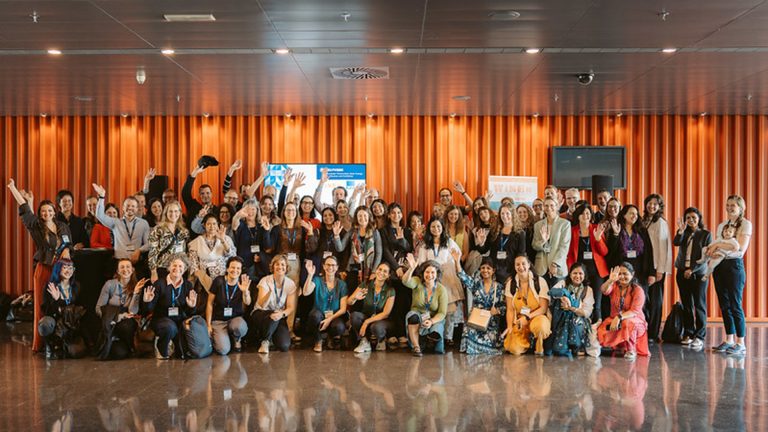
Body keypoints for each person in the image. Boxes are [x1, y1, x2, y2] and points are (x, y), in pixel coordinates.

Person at [8, 179, 72, 352]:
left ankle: (60, 341)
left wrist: (67, 250)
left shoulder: (63, 226)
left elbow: (69, 245)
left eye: (49, 210)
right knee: (41, 305)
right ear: (40, 213)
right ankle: (40, 343)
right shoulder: (36, 226)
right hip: (44, 268)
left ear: (54, 211)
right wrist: (13, 188)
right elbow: (24, 208)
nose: (47, 213)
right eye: (43, 211)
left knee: (61, 303)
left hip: (62, 270)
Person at [711, 195, 752, 356]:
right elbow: (716, 246)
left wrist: (720, 245)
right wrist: (720, 247)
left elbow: (739, 248)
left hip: (734, 266)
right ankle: (729, 339)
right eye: (727, 205)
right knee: (724, 305)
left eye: (733, 205)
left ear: (741, 208)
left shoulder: (746, 224)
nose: (729, 208)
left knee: (735, 304)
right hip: (719, 265)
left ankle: (741, 343)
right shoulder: (722, 225)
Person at [413, 217, 463, 346]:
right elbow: (422, 262)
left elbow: (457, 255)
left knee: (449, 308)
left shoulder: (449, 242)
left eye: (439, 226)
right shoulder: (425, 245)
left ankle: (448, 337)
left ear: (443, 228)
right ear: (429, 228)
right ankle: (433, 334)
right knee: (434, 307)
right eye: (433, 226)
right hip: (431, 278)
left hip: (447, 277)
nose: (436, 229)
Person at [141, 257, 198, 359]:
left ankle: (175, 346)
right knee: (170, 328)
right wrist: (147, 301)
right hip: (161, 319)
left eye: (180, 266)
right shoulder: (159, 284)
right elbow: (148, 309)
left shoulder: (187, 285)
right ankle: (161, 348)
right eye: (174, 265)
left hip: (179, 320)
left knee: (182, 354)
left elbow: (190, 312)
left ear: (184, 269)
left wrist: (192, 306)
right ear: (169, 267)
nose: (177, 268)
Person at [672, 207, 712, 349]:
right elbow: (676, 242)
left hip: (699, 274)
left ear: (699, 219)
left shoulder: (706, 234)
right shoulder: (684, 232)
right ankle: (689, 333)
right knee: (687, 304)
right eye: (688, 218)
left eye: (694, 217)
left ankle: (700, 336)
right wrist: (680, 231)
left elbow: (706, 256)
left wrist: (692, 269)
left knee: (699, 305)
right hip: (682, 272)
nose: (691, 220)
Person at [95, 259, 148, 359]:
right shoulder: (110, 285)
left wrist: (136, 293)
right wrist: (116, 317)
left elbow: (132, 311)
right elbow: (98, 308)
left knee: (121, 350)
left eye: (128, 267)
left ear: (132, 270)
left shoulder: (137, 285)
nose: (125, 269)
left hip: (126, 323)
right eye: (122, 267)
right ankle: (110, 341)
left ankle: (129, 347)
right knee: (113, 352)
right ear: (118, 271)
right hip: (110, 322)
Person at [454, 254, 506, 355]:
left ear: (493, 270)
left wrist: (497, 311)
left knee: (491, 337)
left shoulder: (499, 287)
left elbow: (504, 306)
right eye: (483, 268)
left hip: (491, 323)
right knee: (467, 329)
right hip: (476, 321)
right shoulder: (476, 284)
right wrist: (457, 261)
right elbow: (463, 277)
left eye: (488, 268)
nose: (485, 270)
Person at [596, 263, 649, 361]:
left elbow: (634, 311)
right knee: (602, 328)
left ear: (632, 274)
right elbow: (603, 290)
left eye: (625, 274)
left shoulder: (638, 290)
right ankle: (617, 345)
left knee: (627, 322)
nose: (622, 276)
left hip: (635, 321)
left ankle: (631, 350)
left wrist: (619, 317)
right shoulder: (615, 286)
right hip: (616, 319)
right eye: (619, 274)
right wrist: (610, 280)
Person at [93, 184, 152, 270]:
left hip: (137, 264)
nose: (130, 208)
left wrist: (139, 250)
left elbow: (148, 243)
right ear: (123, 208)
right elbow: (100, 215)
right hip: (119, 263)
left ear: (137, 208)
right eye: (127, 206)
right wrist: (102, 197)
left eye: (133, 206)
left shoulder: (143, 223)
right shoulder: (115, 222)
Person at [566, 204, 609, 322]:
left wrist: (598, 239)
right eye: (583, 213)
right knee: (581, 300)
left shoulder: (596, 228)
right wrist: (570, 270)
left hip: (597, 270)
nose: (586, 215)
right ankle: (583, 325)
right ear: (578, 216)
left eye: (588, 213)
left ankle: (597, 326)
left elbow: (604, 252)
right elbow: (569, 253)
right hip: (580, 273)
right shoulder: (573, 231)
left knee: (597, 302)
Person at [379, 203, 413, 347]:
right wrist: (396, 267)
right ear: (388, 215)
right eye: (393, 213)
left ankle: (402, 334)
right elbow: (386, 251)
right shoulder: (383, 231)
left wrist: (401, 240)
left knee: (403, 302)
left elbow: (409, 249)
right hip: (391, 271)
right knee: (390, 303)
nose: (396, 215)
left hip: (404, 272)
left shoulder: (406, 230)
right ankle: (391, 334)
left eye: (399, 212)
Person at [503, 255, 551, 356]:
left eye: (523, 264)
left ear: (529, 265)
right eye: (517, 264)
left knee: (541, 326)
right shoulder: (510, 284)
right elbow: (510, 309)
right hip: (520, 321)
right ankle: (528, 343)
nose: (521, 267)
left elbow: (543, 308)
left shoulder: (540, 281)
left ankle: (538, 346)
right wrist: (509, 327)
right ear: (514, 267)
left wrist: (527, 317)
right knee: (513, 349)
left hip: (537, 317)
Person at [401, 256, 449, 356]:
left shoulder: (441, 290)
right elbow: (405, 281)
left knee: (435, 332)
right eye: (427, 272)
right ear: (423, 273)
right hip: (418, 315)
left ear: (437, 274)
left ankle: (427, 342)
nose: (429, 275)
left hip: (433, 318)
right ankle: (416, 347)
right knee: (412, 316)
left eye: (432, 272)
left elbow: (442, 313)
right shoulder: (417, 281)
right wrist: (411, 269)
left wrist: (431, 321)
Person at [249, 255, 298, 354]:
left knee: (284, 346)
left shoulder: (290, 283)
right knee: (273, 315)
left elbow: (290, 307)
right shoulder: (265, 280)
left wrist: (282, 314)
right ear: (273, 267)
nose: (280, 267)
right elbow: (262, 304)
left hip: (279, 315)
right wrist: (270, 292)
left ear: (286, 268)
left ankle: (270, 336)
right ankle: (265, 341)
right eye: (277, 264)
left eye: (283, 265)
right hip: (261, 313)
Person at [546, 263, 597, 356]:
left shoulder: (587, 290)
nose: (577, 276)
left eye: (580, 273)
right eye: (575, 273)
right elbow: (551, 292)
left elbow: (586, 313)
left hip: (578, 318)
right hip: (561, 317)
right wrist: (564, 296)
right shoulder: (563, 283)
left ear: (584, 275)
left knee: (575, 321)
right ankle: (562, 346)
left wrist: (571, 308)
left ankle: (576, 346)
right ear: (570, 274)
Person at [641, 193, 673, 342]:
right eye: (649, 203)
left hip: (656, 267)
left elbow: (663, 248)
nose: (651, 206)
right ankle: (644, 330)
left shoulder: (660, 222)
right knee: (644, 300)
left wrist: (660, 270)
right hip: (645, 266)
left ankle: (653, 333)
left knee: (655, 301)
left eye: (655, 204)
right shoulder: (643, 221)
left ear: (660, 206)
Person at [206, 257, 252, 355]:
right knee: (223, 350)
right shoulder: (218, 281)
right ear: (227, 269)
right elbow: (209, 303)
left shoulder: (242, 282)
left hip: (235, 319)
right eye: (232, 267)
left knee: (240, 327)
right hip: (219, 321)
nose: (235, 270)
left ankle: (236, 338)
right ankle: (223, 336)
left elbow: (247, 302)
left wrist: (245, 292)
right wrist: (208, 325)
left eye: (238, 268)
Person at [38, 259, 83, 359]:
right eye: (65, 268)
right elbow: (46, 310)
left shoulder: (76, 286)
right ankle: (50, 347)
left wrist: (60, 302)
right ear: (58, 269)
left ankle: (63, 347)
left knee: (75, 352)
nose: (68, 271)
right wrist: (56, 300)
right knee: (45, 323)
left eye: (70, 268)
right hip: (55, 319)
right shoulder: (50, 286)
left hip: (70, 322)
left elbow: (79, 307)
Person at [303, 256, 349, 352]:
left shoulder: (342, 284)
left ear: (337, 267)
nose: (330, 267)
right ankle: (318, 340)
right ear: (324, 266)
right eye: (328, 265)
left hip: (334, 316)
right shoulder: (317, 280)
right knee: (314, 316)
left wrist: (329, 319)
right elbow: (305, 292)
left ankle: (330, 337)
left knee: (340, 327)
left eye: (333, 265)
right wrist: (310, 275)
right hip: (319, 315)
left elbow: (343, 309)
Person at [348, 262, 397, 353]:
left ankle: (382, 339)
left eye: (385, 271)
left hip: (381, 320)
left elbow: (386, 314)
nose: (381, 272)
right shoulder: (366, 285)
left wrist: (367, 322)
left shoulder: (390, 290)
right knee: (354, 316)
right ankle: (364, 341)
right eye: (380, 269)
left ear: (388, 275)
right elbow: (349, 302)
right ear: (376, 270)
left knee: (376, 327)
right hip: (367, 315)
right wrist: (355, 297)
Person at [474, 205, 526, 286]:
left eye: (507, 213)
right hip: (493, 271)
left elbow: (520, 255)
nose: (505, 216)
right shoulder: (494, 230)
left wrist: (513, 275)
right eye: (502, 213)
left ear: (512, 214)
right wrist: (481, 243)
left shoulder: (520, 233)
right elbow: (483, 250)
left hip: (510, 272)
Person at [616, 204, 654, 316]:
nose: (635, 216)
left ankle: (642, 325)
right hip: (623, 271)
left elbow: (649, 252)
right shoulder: (618, 230)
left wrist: (651, 273)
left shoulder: (642, 231)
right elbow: (613, 252)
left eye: (636, 214)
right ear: (624, 215)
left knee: (641, 301)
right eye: (631, 213)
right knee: (624, 300)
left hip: (641, 270)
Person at [333, 206, 382, 291]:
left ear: (369, 217)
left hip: (370, 269)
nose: (362, 218)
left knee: (367, 294)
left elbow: (379, 253)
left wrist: (374, 271)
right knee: (353, 293)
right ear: (356, 218)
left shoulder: (375, 232)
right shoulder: (352, 231)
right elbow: (340, 248)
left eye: (365, 215)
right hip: (353, 269)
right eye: (360, 216)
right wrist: (336, 235)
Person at [188, 214, 236, 291]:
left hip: (223, 278)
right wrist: (203, 276)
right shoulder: (197, 241)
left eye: (214, 224)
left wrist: (222, 240)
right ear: (204, 225)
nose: (212, 226)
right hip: (204, 279)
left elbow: (232, 256)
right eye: (209, 224)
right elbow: (194, 264)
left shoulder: (226, 239)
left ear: (218, 225)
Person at [232, 199, 274, 281]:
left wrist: (266, 230)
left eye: (253, 209)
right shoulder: (241, 225)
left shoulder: (261, 225)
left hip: (260, 265)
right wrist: (238, 215)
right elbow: (234, 224)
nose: (250, 212)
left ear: (257, 211)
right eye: (247, 209)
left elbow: (267, 246)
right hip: (244, 265)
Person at [148, 201, 190, 282]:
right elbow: (152, 252)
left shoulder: (184, 231)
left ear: (180, 213)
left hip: (179, 270)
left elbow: (185, 251)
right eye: (170, 211)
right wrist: (153, 272)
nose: (173, 214)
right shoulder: (158, 230)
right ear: (166, 213)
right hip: (163, 268)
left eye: (176, 211)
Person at [532, 197, 571, 282]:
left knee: (557, 291)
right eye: (546, 205)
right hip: (541, 268)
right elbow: (534, 245)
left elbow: (564, 247)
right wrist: (543, 241)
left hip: (558, 268)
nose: (549, 208)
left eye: (552, 205)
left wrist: (555, 264)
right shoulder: (538, 225)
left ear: (557, 206)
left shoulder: (565, 224)